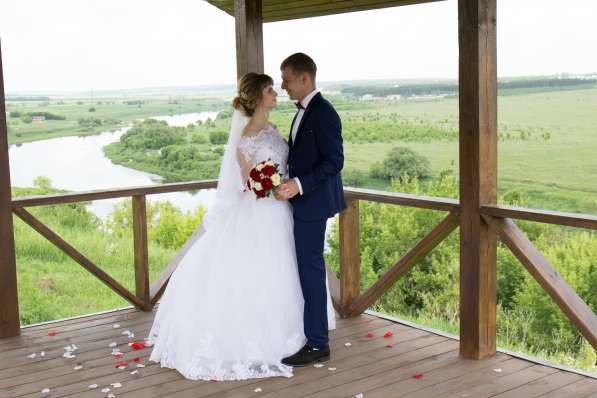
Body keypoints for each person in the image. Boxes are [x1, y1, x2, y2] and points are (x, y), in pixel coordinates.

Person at [146, 72, 336, 381]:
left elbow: (287, 164)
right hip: (259, 212)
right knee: (257, 272)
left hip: (282, 209)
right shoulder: (246, 138)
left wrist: (284, 185)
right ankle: (258, 339)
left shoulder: (274, 128)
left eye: (279, 86)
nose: (277, 92)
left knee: (285, 271)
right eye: (271, 89)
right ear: (260, 96)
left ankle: (300, 336)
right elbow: (246, 180)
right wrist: (266, 184)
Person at [276, 53, 346, 367]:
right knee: (306, 269)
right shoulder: (303, 111)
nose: (283, 86)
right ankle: (310, 334)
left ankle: (318, 343)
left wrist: (299, 184)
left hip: (313, 204)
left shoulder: (324, 112)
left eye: (287, 79)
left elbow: (334, 162)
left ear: (305, 79)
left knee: (311, 271)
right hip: (301, 201)